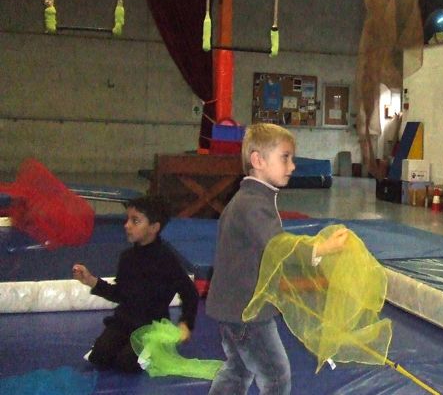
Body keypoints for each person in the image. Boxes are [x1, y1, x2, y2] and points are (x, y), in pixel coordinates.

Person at [206, 123, 349, 395]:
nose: (293, 166)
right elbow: (278, 248)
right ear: (258, 160)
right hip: (247, 311)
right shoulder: (252, 204)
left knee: (238, 370)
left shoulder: (254, 198)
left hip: (234, 307)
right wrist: (322, 248)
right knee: (276, 377)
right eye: (285, 157)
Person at [72, 195, 198, 373]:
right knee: (99, 356)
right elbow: (120, 294)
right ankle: (120, 346)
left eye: (135, 221)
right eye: (127, 219)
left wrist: (186, 323)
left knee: (126, 364)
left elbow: (190, 292)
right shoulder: (127, 258)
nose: (127, 225)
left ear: (154, 227)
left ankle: (155, 347)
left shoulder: (166, 259)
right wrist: (91, 280)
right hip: (124, 322)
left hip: (150, 327)